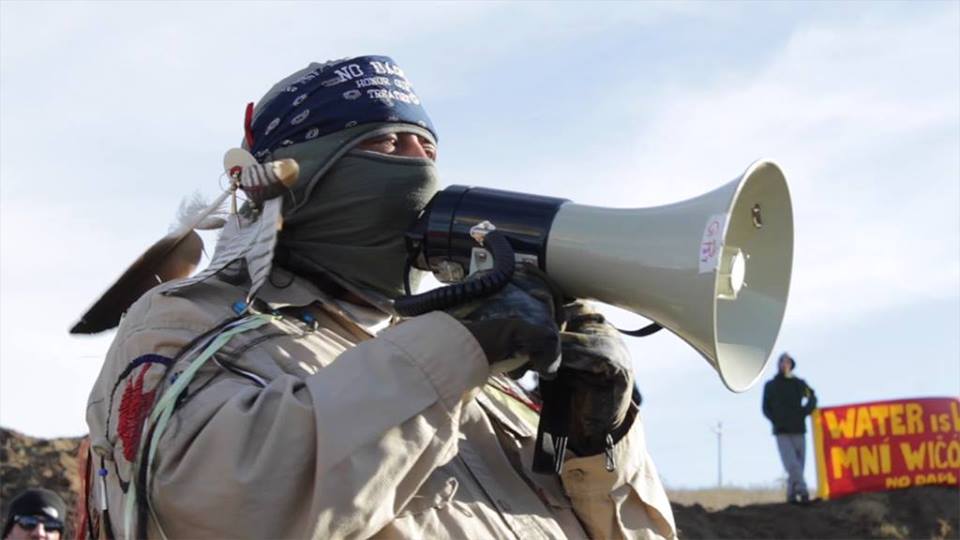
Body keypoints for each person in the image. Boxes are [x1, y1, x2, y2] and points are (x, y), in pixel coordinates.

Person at [82, 56, 676, 539]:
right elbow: (229, 508)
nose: (419, 168)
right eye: (388, 145)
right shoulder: (188, 321)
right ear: (296, 179)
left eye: (429, 150)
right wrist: (456, 345)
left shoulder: (483, 376)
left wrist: (597, 439)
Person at [762, 352, 817, 504]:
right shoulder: (771, 386)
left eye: (787, 362)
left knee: (799, 464)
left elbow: (812, 396)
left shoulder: (799, 384)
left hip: (799, 429)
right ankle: (803, 490)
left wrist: (805, 412)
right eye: (782, 362)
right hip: (782, 432)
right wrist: (776, 420)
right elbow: (765, 408)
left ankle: (791, 495)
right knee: (791, 464)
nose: (784, 365)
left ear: (791, 364)